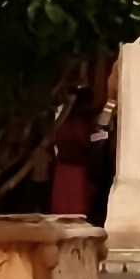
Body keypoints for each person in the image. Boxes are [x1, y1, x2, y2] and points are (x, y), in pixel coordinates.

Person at [46, 88, 97, 220]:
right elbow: (86, 141)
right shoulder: (79, 122)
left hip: (62, 167)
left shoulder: (62, 121)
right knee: (76, 210)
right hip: (76, 168)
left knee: (61, 208)